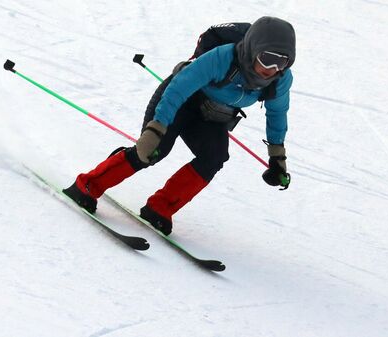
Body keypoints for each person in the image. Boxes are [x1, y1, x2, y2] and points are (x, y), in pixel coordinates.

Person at [63, 16, 296, 236]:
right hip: (179, 100)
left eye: (282, 61)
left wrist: (277, 157)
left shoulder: (280, 80)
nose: (273, 68)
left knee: (214, 157)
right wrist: (155, 130)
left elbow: (277, 114)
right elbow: (178, 90)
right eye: (267, 58)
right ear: (252, 50)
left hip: (210, 115)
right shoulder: (221, 58)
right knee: (153, 151)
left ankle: (159, 208)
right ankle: (88, 185)